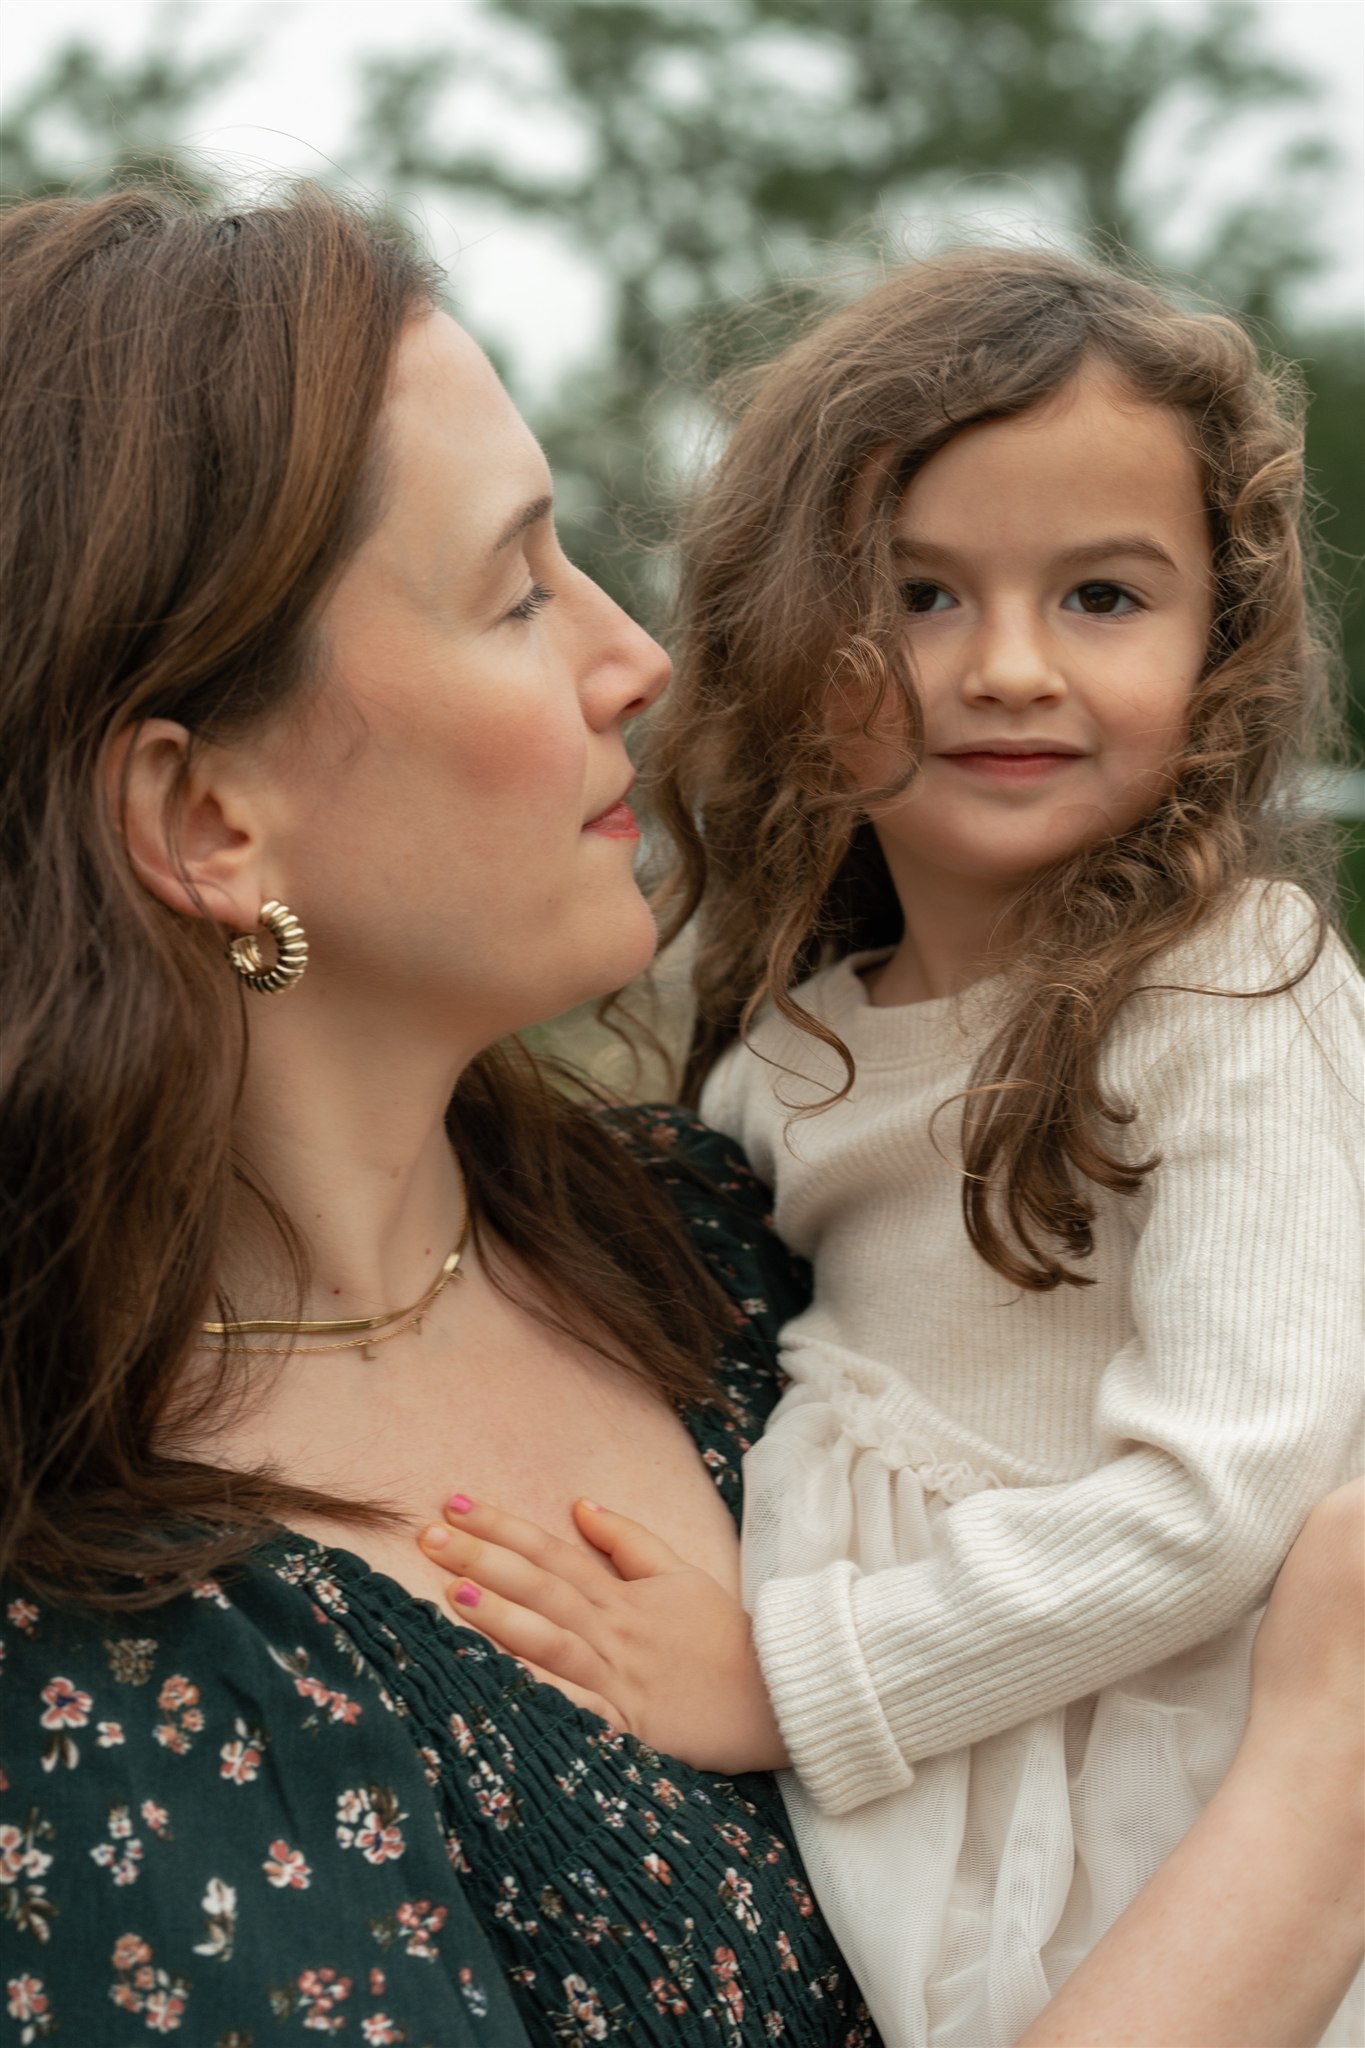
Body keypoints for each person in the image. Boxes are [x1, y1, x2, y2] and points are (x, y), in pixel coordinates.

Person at [0, 190, 1359, 2047]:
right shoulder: (109, 1662)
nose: (636, 655)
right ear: (208, 822)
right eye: (515, 591)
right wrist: (1315, 1810)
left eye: (1101, 595)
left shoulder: (706, 1226)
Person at [413, 251, 1365, 2045]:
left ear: (1218, 643)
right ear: (787, 637)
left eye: (1101, 595)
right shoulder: (793, 1050)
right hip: (913, 1801)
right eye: (917, 595)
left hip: (1144, 1780)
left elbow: (1227, 1498)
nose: (1006, 667)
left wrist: (791, 1679)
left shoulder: (1232, 990)